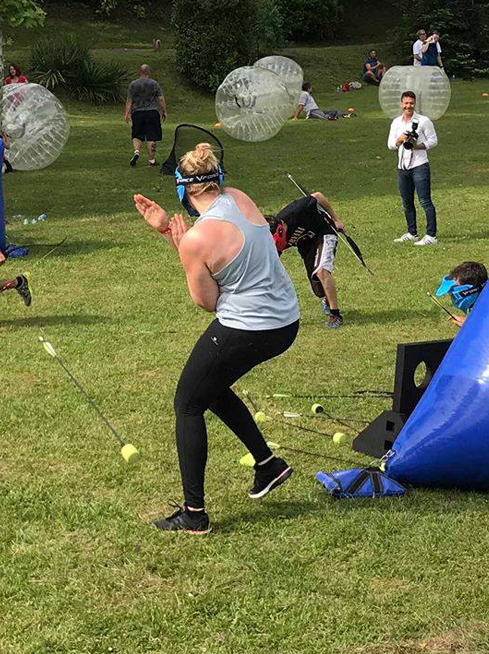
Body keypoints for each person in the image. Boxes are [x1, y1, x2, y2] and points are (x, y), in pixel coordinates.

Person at [130, 143, 301, 534]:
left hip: (249, 325)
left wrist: (179, 243)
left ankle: (194, 514)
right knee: (212, 385)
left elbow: (206, 301)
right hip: (285, 320)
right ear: (218, 179)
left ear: (181, 190)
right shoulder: (240, 199)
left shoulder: (196, 239)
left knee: (188, 403)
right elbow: (216, 258)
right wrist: (171, 235)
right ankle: (267, 465)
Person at [269, 191, 349, 329]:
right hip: (305, 244)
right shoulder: (271, 240)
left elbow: (318, 196)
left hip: (323, 232)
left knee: (322, 271)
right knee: (317, 286)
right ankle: (326, 299)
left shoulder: (295, 211)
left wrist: (335, 219)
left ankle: (335, 315)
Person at [389, 91, 439, 246]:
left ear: (414, 104)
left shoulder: (423, 121)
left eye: (411, 103)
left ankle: (431, 235)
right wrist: (399, 140)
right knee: (407, 202)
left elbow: (433, 140)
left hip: (419, 165)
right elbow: (390, 145)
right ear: (401, 104)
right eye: (406, 103)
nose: (408, 106)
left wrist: (418, 146)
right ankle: (412, 233)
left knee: (425, 201)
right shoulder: (396, 122)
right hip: (402, 167)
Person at [126, 64, 168, 167]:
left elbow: (129, 100)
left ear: (139, 72)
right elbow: (161, 99)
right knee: (152, 136)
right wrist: (164, 111)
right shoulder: (154, 84)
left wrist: (126, 113)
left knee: (137, 134)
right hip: (152, 112)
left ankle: (136, 151)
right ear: (148, 73)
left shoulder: (133, 84)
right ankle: (151, 160)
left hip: (137, 112)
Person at [436, 261, 488, 328]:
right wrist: (470, 322)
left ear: (471, 291)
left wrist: (471, 326)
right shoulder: (482, 304)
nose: (453, 298)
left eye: (454, 294)